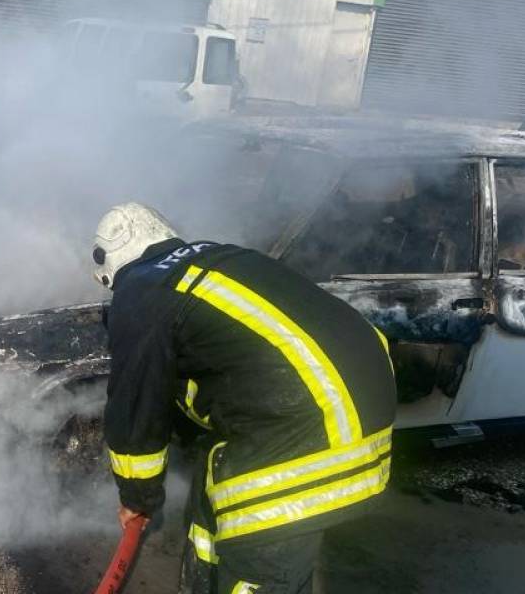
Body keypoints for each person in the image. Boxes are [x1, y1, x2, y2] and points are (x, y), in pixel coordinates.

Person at [93, 202, 397, 594]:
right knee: (215, 504)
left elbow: (136, 408)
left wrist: (137, 497)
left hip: (306, 428)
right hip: (358, 397)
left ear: (110, 266)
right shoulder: (213, 258)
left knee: (260, 560)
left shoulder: (139, 290)